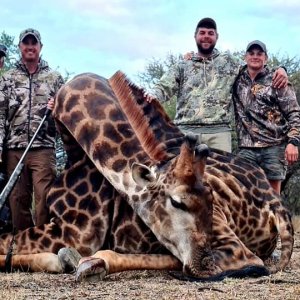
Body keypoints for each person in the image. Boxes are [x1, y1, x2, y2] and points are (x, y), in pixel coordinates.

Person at [147, 18, 288, 152]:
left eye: (211, 33)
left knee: (220, 177)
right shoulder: (182, 65)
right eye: (202, 33)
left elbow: (254, 66)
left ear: (217, 37)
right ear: (195, 36)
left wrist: (281, 69)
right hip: (186, 132)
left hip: (219, 133)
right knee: (182, 175)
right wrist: (152, 96)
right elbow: (163, 87)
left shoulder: (228, 62)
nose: (206, 36)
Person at [0, 28, 64, 231]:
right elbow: (0, 115)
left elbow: (65, 114)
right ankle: (23, 248)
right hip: (14, 148)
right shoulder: (7, 79)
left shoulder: (54, 78)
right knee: (17, 200)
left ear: (40, 47)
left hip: (43, 149)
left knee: (45, 199)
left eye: (33, 43)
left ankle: (43, 245)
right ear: (19, 47)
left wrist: (57, 110)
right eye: (25, 43)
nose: (30, 46)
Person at [232, 40, 300, 194]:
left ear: (266, 58)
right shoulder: (236, 78)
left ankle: (274, 218)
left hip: (273, 146)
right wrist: (191, 57)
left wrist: (293, 142)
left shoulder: (277, 80)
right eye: (251, 53)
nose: (255, 56)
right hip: (246, 147)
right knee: (244, 194)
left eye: (259, 53)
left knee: (272, 197)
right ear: (245, 57)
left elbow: (294, 113)